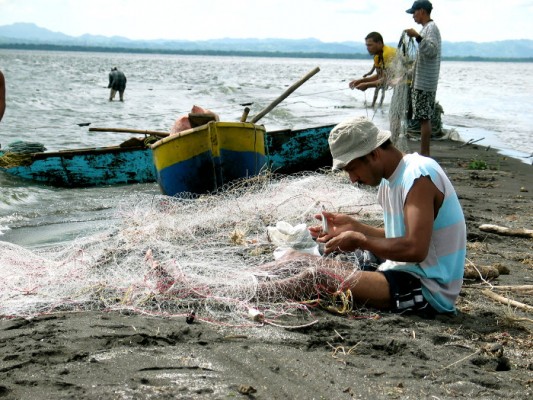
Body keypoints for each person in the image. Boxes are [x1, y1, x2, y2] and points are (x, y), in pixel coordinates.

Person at [257, 117, 466, 315]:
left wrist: (361, 240)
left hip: (427, 289)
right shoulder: (389, 180)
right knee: (297, 259)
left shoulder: (419, 175)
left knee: (316, 277)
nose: (353, 179)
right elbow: (399, 236)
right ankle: (245, 280)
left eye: (352, 169)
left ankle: (250, 295)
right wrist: (356, 227)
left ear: (373, 154)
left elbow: (415, 248)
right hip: (400, 272)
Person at [404, 0, 441, 157]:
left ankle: (425, 153)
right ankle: (424, 152)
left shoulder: (430, 28)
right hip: (421, 81)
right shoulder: (427, 29)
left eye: (414, 12)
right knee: (422, 118)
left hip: (425, 83)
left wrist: (417, 37)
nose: (413, 16)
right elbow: (422, 59)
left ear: (422, 11)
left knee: (424, 119)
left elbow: (432, 51)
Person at [349, 32, 397, 108]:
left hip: (408, 85)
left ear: (379, 43)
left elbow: (386, 80)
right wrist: (361, 81)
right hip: (399, 88)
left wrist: (367, 85)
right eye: (367, 45)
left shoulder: (388, 53)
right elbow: (380, 76)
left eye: (370, 45)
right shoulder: (377, 57)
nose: (368, 48)